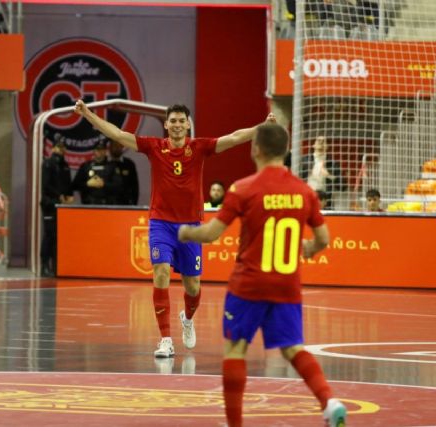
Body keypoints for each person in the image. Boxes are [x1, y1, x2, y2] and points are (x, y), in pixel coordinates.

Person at [74, 99, 274, 358]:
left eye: (182, 121)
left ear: (188, 125)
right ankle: (166, 339)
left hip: (190, 226)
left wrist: (262, 127)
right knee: (161, 273)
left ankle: (187, 319)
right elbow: (117, 134)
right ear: (166, 125)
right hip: (161, 223)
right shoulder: (153, 147)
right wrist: (88, 114)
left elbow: (234, 137)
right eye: (173, 121)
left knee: (193, 287)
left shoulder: (199, 147)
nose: (178, 125)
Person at [177, 123, 346, 427]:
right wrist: (308, 249)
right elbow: (323, 239)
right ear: (286, 151)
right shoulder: (305, 191)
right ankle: (328, 400)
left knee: (235, 349)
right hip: (287, 285)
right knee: (293, 348)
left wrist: (187, 232)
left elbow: (212, 234)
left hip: (249, 284)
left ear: (255, 149)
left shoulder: (243, 188)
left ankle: (235, 423)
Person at [40, 141, 74, 277]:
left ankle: (56, 266)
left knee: (59, 236)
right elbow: (46, 185)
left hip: (62, 205)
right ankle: (44, 265)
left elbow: (68, 185)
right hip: (50, 204)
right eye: (59, 147)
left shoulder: (65, 165)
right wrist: (59, 196)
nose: (61, 150)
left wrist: (69, 196)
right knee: (49, 235)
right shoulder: (48, 163)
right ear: (53, 148)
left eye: (63, 147)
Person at [299, 136, 345, 209]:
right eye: (318, 140)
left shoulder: (332, 163)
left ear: (327, 146)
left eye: (324, 141)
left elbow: (343, 187)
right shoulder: (304, 160)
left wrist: (329, 176)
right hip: (307, 199)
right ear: (313, 145)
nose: (321, 142)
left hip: (325, 202)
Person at [72, 141, 118, 205]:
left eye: (102, 149)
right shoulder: (86, 166)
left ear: (105, 151)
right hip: (88, 204)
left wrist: (104, 184)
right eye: (97, 149)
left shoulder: (111, 166)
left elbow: (118, 186)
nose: (99, 152)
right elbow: (75, 185)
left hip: (107, 205)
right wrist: (87, 184)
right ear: (94, 151)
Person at [107, 139, 139, 205]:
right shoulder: (105, 163)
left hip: (125, 203)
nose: (117, 148)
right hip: (107, 203)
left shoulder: (129, 164)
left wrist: (134, 204)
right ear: (110, 148)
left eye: (119, 146)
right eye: (114, 146)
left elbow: (134, 186)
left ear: (122, 147)